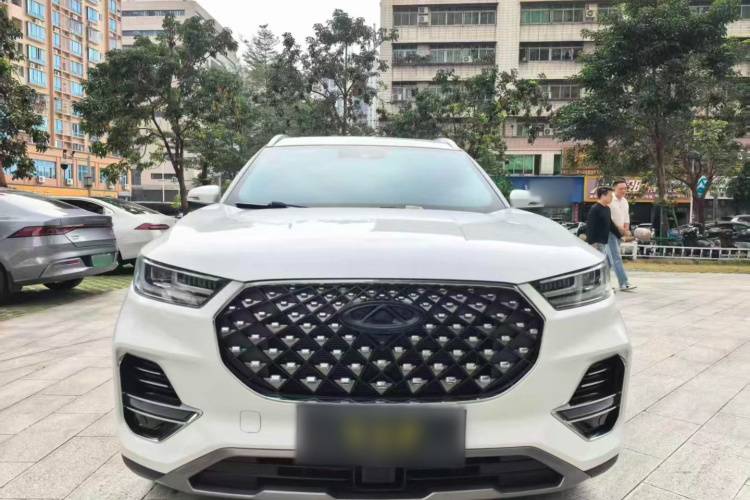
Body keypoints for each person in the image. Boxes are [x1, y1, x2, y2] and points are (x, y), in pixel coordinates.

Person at [608, 180, 636, 292]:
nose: (624, 191)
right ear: (614, 189)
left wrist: (626, 230)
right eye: (621, 189)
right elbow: (609, 219)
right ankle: (624, 283)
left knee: (608, 260)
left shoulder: (624, 201)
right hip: (610, 232)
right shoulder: (610, 200)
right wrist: (619, 228)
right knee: (616, 258)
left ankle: (600, 282)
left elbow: (626, 217)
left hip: (620, 233)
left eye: (625, 188)